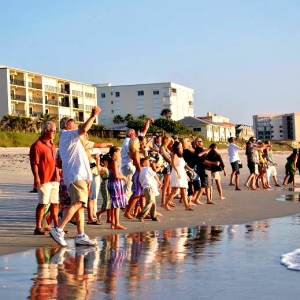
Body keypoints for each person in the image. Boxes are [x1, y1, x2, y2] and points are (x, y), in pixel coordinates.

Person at [49, 107, 101, 247]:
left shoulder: (74, 139)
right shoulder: (67, 134)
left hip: (80, 175)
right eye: (74, 123)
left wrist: (88, 177)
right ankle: (58, 229)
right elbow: (84, 129)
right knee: (78, 203)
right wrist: (93, 116)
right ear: (67, 126)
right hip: (75, 175)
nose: (76, 126)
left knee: (80, 206)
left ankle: (80, 235)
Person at [29, 121, 59, 235]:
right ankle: (38, 227)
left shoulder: (52, 144)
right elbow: (34, 163)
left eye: (56, 131)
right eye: (53, 131)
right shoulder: (37, 145)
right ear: (46, 130)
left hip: (54, 178)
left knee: (55, 203)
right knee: (43, 203)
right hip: (44, 179)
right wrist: (36, 178)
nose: (54, 133)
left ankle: (56, 226)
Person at [121, 119, 153, 203]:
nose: (136, 134)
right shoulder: (128, 142)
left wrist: (148, 122)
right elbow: (132, 156)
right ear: (129, 134)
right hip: (128, 166)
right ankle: (126, 204)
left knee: (134, 188)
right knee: (128, 186)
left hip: (132, 166)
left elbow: (144, 131)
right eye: (134, 133)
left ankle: (130, 205)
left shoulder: (134, 141)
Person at [164, 141, 195, 211]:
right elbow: (173, 163)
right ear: (177, 147)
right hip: (176, 173)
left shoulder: (180, 155)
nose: (182, 147)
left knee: (184, 189)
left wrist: (191, 170)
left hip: (182, 172)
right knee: (174, 190)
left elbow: (184, 165)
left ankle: (186, 206)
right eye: (180, 146)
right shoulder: (174, 154)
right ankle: (165, 204)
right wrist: (177, 171)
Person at [107, 146, 127, 229]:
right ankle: (117, 223)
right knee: (117, 204)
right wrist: (123, 177)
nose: (119, 154)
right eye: (119, 152)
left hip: (112, 183)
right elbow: (116, 175)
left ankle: (113, 223)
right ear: (115, 153)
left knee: (113, 204)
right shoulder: (114, 162)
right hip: (115, 184)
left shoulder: (111, 162)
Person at [136, 157, 162, 222]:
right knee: (150, 201)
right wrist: (159, 181)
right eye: (147, 161)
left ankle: (153, 216)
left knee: (153, 202)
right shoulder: (147, 169)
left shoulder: (141, 171)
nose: (149, 163)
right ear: (144, 163)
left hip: (146, 188)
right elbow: (154, 174)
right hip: (149, 187)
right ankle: (141, 215)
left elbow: (140, 180)